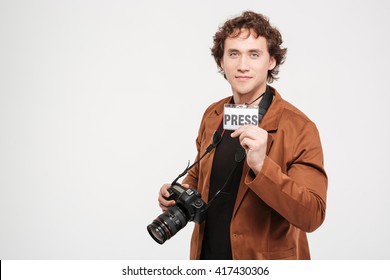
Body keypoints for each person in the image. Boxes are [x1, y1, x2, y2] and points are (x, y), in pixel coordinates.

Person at [158, 11, 327, 260]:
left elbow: (312, 215)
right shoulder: (213, 115)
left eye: (254, 54)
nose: (242, 65)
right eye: (234, 53)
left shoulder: (299, 127)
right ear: (221, 61)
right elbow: (200, 176)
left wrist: (261, 166)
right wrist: (178, 193)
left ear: (271, 61)